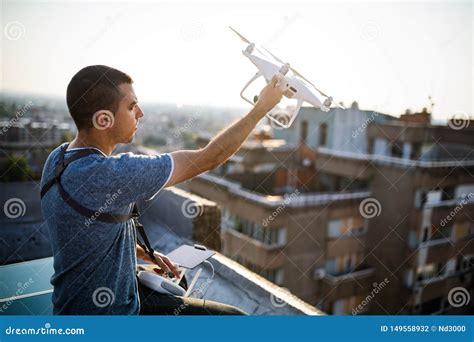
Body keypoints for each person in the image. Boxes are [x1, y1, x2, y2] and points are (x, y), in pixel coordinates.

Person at [40, 65, 283, 315]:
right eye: (132, 106)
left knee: (180, 284)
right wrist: (261, 108)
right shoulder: (108, 174)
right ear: (104, 119)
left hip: (74, 306)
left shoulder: (58, 159)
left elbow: (84, 231)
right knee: (235, 319)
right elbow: (210, 157)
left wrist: (144, 253)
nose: (141, 113)